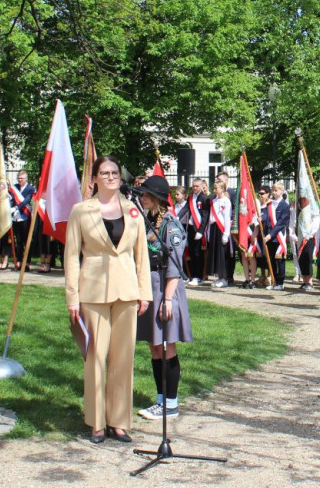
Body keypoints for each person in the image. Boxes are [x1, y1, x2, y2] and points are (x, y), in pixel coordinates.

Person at [65, 155, 151, 443]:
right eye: (105, 173)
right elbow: (71, 258)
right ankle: (97, 422)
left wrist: (144, 293)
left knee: (123, 359)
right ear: (94, 179)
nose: (111, 177)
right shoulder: (81, 211)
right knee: (95, 357)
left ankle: (119, 421)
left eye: (115, 172)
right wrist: (72, 297)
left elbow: (142, 256)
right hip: (93, 292)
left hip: (127, 292)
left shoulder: (133, 210)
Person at [135, 176, 193, 420]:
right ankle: (160, 399)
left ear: (158, 198)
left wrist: (167, 300)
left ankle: (171, 403)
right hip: (149, 287)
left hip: (165, 289)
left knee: (168, 347)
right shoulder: (145, 221)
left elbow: (174, 266)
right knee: (154, 346)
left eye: (146, 194)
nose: (142, 198)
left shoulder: (171, 226)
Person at [295, 179, 320, 292]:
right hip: (300, 236)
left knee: (307, 257)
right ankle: (304, 280)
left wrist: (310, 234)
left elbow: (316, 220)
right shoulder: (297, 207)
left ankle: (310, 281)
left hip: (309, 236)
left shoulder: (313, 206)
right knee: (301, 258)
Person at [263, 182, 290, 291]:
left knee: (279, 260)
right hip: (269, 236)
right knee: (271, 260)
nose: (274, 192)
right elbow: (267, 218)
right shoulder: (270, 204)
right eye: (273, 190)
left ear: (281, 191)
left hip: (278, 236)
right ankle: (273, 281)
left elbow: (281, 223)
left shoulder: (285, 206)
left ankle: (280, 283)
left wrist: (271, 234)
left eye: (276, 190)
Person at [207, 179, 233, 287]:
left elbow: (227, 218)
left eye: (216, 188)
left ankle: (224, 278)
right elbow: (211, 217)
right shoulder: (214, 201)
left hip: (221, 229)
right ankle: (219, 277)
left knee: (222, 254)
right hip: (214, 228)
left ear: (222, 189)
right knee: (215, 253)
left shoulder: (226, 201)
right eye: (214, 188)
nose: (214, 190)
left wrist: (226, 234)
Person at [185, 178, 211, 284]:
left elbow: (205, 216)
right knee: (192, 252)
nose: (194, 188)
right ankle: (193, 275)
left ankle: (199, 276)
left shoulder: (204, 198)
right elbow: (186, 210)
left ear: (201, 186)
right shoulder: (190, 198)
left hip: (199, 229)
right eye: (193, 186)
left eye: (197, 186)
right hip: (191, 228)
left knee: (198, 253)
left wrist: (200, 231)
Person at [11, 171, 34, 268]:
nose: (20, 180)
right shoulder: (15, 187)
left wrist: (17, 207)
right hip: (16, 218)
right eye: (18, 178)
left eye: (22, 178)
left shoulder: (30, 188)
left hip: (25, 217)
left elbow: (26, 200)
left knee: (26, 240)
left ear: (26, 179)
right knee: (19, 241)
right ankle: (19, 261)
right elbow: (11, 198)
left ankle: (27, 262)